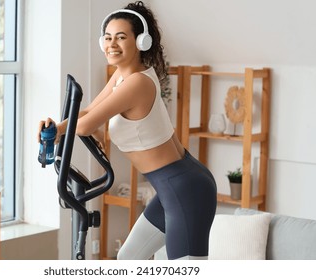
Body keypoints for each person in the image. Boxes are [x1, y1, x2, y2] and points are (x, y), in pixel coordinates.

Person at [38, 1, 217, 260]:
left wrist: (68, 129)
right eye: (108, 37)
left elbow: (86, 124)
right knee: (127, 260)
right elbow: (88, 112)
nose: (112, 44)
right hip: (173, 186)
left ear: (141, 41)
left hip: (185, 188)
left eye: (121, 37)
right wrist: (56, 128)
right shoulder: (122, 76)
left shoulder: (137, 84)